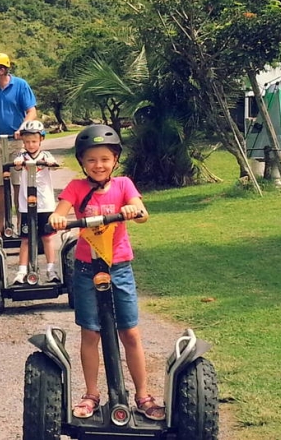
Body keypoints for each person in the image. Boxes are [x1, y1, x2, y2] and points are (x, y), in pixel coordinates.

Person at [47, 124, 165, 421]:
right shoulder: (76, 188)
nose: (98, 165)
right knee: (91, 332)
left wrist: (133, 210)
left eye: (104, 159)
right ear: (82, 163)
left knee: (130, 332)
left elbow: (142, 211)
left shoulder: (124, 185)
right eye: (91, 160)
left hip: (119, 267)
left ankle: (143, 395)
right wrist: (58, 218)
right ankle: (91, 394)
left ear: (115, 160)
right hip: (87, 269)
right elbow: (60, 212)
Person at [0, 52, 37, 236]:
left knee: (19, 183)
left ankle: (21, 224)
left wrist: (22, 128)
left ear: (2, 70)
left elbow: (31, 111)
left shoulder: (20, 85)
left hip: (17, 141)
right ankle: (1, 225)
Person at [11, 120, 60, 284]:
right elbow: (17, 166)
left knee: (47, 237)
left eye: (34, 141)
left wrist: (51, 164)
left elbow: (53, 166)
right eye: (27, 142)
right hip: (26, 205)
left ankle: (51, 270)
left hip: (45, 203)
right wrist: (18, 164)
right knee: (25, 239)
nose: (30, 145)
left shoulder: (46, 155)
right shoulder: (21, 156)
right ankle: (22, 271)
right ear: (23, 142)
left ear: (41, 140)